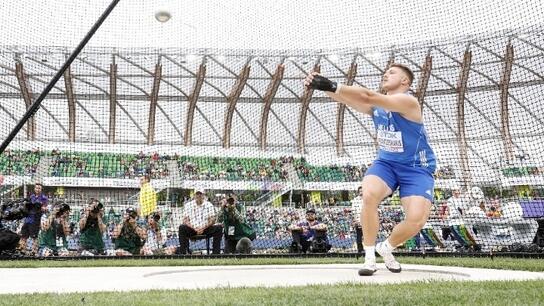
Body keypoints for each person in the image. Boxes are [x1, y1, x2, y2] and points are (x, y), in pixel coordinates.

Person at [305, 63, 436, 275]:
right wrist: (322, 87)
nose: (386, 74)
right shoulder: (378, 107)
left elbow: (366, 96)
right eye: (385, 72)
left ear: (405, 81)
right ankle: (368, 257)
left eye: (392, 72)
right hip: (386, 164)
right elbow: (350, 100)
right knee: (369, 195)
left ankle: (386, 247)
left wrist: (333, 84)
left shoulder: (408, 101)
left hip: (416, 169)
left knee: (416, 219)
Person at [178, 189, 222, 254]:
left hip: (205, 229)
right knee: (182, 227)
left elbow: (212, 220)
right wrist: (194, 228)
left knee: (219, 228)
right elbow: (185, 220)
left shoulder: (208, 205)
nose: (199, 196)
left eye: (200, 194)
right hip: (192, 229)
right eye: (197, 194)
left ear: (203, 195)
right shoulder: (188, 205)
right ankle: (183, 253)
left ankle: (216, 253)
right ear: (194, 195)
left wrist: (203, 228)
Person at [19, 183, 48, 255]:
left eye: (39, 188)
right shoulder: (31, 196)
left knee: (34, 237)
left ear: (41, 189)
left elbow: (45, 208)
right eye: (36, 188)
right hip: (27, 218)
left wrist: (41, 207)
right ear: (34, 189)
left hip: (35, 219)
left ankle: (34, 251)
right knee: (23, 235)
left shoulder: (44, 198)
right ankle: (23, 250)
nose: (37, 189)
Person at [351, 186, 364, 253]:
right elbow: (353, 212)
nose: (361, 192)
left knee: (368, 236)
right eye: (360, 191)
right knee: (359, 236)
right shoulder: (355, 200)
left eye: (362, 191)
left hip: (367, 221)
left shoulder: (367, 199)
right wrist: (355, 220)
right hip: (358, 221)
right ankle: (360, 250)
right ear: (358, 192)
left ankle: (368, 250)